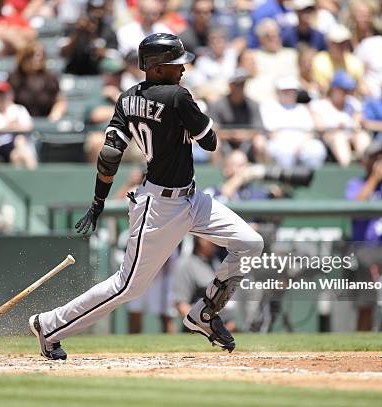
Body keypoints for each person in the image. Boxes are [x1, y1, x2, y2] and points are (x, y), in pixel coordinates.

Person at [29, 33, 263, 360]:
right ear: (154, 68)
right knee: (129, 286)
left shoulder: (126, 98)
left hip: (191, 199)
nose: (181, 69)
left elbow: (109, 154)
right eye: (174, 63)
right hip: (160, 207)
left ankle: (204, 313)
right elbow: (210, 141)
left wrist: (98, 202)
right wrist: (194, 112)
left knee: (250, 243)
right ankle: (51, 324)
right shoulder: (178, 96)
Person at [260, 76, 327, 169]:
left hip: (302, 144)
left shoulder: (303, 108)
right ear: (278, 92)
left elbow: (309, 132)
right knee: (283, 152)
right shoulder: (269, 107)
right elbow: (271, 133)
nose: (290, 94)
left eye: (293, 91)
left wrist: (299, 147)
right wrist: (290, 147)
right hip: (280, 144)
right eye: (286, 91)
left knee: (316, 149)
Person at [173, 237, 236, 332]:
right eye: (210, 239)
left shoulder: (217, 262)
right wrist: (207, 328)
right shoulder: (186, 264)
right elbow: (181, 304)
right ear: (199, 240)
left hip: (224, 325)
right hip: (198, 330)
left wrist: (229, 324)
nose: (214, 243)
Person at [345, 140, 382, 242]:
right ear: (365, 161)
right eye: (376, 157)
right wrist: (375, 178)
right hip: (365, 246)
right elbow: (354, 211)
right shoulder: (355, 184)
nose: (381, 161)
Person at [310, 71, 370, 166]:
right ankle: (347, 168)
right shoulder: (318, 105)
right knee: (339, 138)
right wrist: (336, 129)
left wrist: (352, 126)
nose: (347, 93)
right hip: (330, 139)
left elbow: (357, 123)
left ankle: (367, 166)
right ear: (335, 89)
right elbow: (320, 128)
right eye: (344, 90)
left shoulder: (353, 103)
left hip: (351, 136)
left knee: (362, 137)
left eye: (348, 90)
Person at [208, 69, 266, 161]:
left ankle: (259, 172)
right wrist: (231, 134)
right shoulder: (218, 104)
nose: (240, 88)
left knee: (260, 142)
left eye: (242, 84)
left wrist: (244, 134)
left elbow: (259, 129)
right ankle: (216, 173)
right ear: (230, 85)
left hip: (247, 143)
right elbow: (212, 130)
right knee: (214, 142)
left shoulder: (252, 104)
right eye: (237, 84)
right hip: (225, 143)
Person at [0, 81, 38, 169]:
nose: (0, 97)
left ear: (10, 94)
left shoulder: (19, 110)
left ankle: (31, 178)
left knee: (20, 147)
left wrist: (1, 129)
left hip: (13, 146)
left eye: (2, 94)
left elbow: (28, 127)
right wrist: (9, 126)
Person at [8, 42, 67, 121]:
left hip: (46, 122)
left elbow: (60, 101)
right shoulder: (14, 78)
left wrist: (55, 114)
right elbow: (7, 101)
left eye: (39, 55)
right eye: (31, 55)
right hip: (20, 124)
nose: (36, 58)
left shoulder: (50, 78)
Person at [60, 0, 118, 75]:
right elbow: (63, 53)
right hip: (73, 72)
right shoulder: (74, 28)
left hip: (98, 73)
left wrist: (92, 36)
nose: (98, 13)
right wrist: (78, 32)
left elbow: (115, 56)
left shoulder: (108, 30)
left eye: (100, 9)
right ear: (88, 10)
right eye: (93, 9)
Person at [312, 24, 366, 95]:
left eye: (345, 43)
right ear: (329, 43)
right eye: (338, 43)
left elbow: (362, 87)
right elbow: (323, 88)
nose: (342, 46)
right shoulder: (319, 60)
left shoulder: (355, 61)